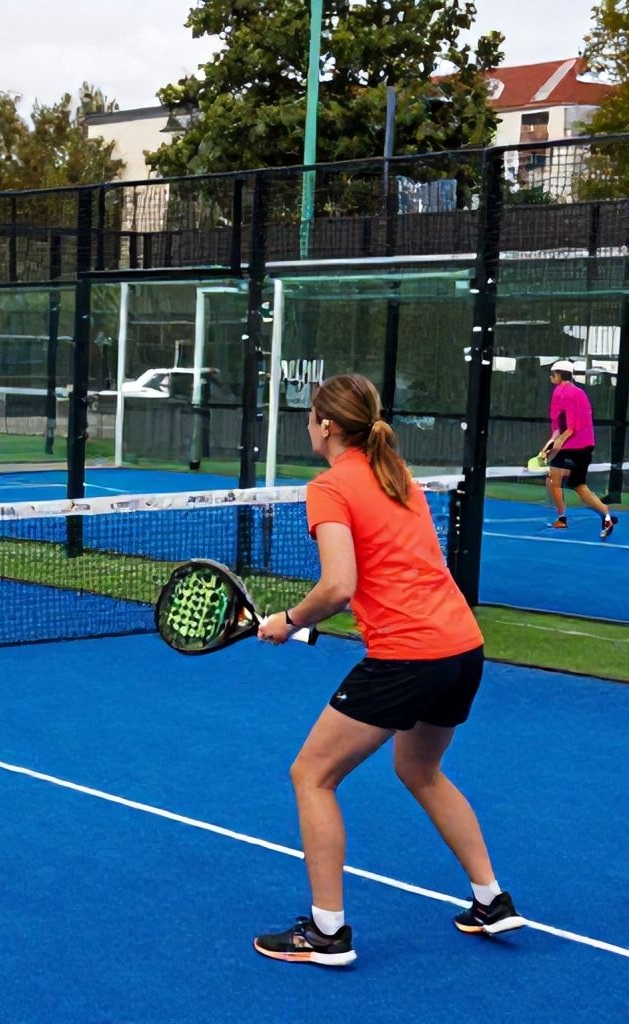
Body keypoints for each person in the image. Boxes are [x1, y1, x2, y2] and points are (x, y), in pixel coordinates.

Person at [251, 373, 523, 967]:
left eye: (309, 415)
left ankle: (326, 933)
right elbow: (395, 577)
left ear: (326, 425)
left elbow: (340, 585)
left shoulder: (328, 486)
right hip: (462, 648)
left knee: (312, 776)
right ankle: (491, 899)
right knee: (420, 769)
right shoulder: (396, 476)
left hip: (410, 656)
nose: (307, 424)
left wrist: (291, 619)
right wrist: (324, 620)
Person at [541, 359, 617, 539]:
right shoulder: (568, 392)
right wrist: (547, 448)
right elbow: (558, 427)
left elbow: (570, 429)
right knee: (578, 485)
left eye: (552, 374)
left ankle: (562, 519)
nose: (551, 377)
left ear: (559, 375)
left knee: (553, 478)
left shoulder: (568, 393)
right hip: (582, 445)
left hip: (575, 445)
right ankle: (606, 515)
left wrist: (553, 449)